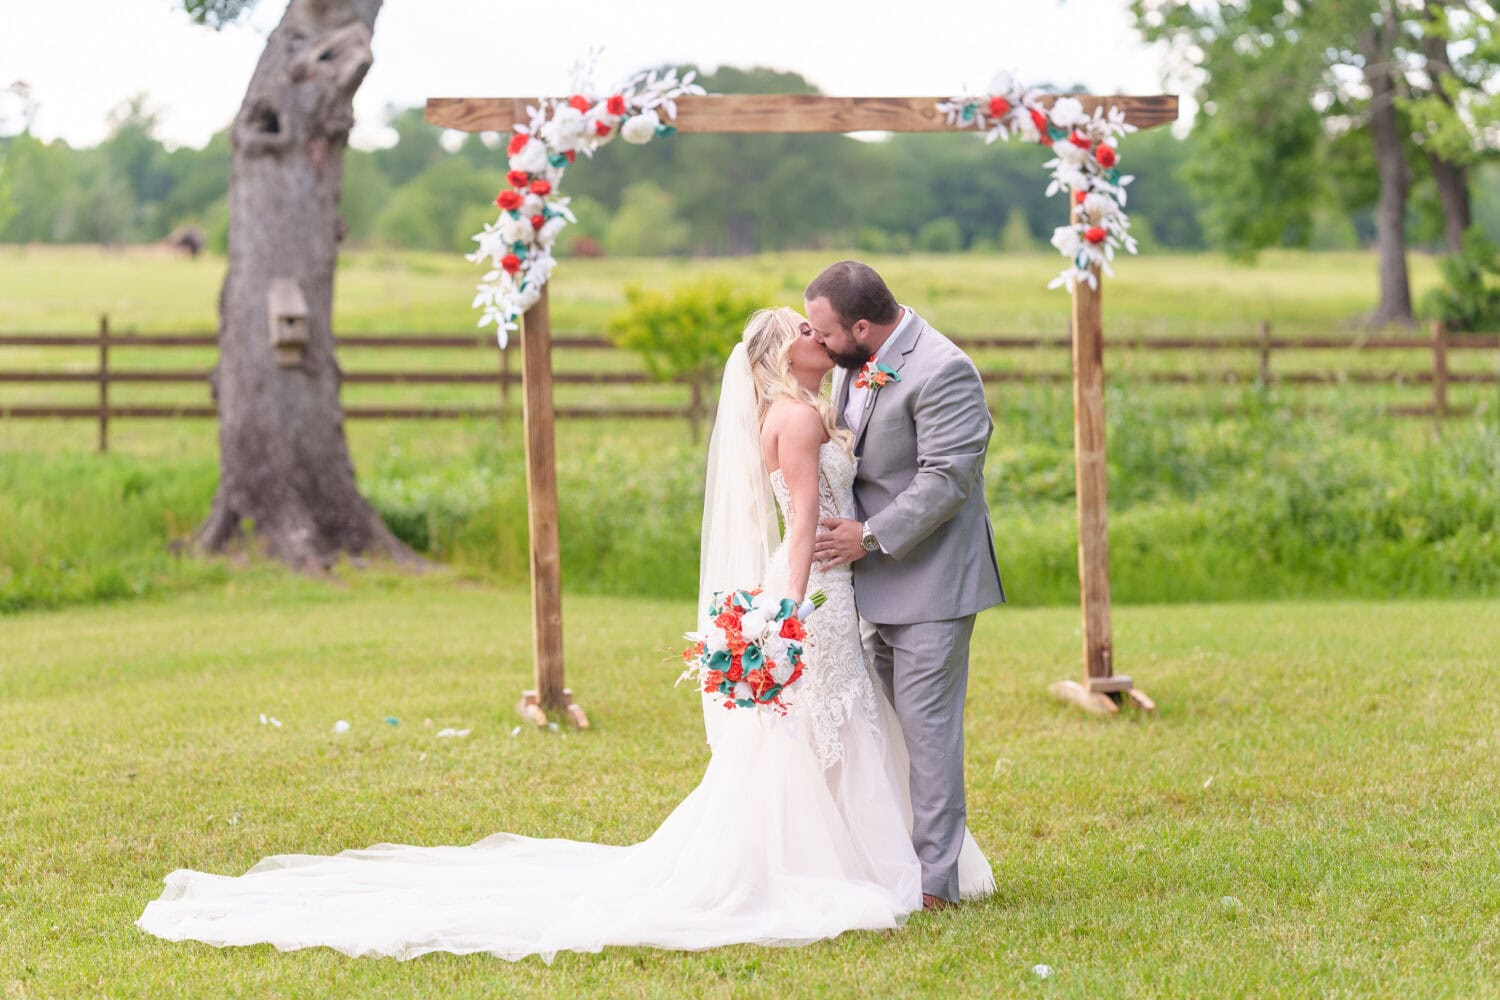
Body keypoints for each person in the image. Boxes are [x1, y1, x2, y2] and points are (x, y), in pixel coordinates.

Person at [135, 306, 993, 962]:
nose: (819, 337)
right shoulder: (799, 418)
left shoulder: (795, 405)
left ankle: (852, 856)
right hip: (820, 592)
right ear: (780, 351)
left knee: (826, 730)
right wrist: (791, 613)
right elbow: (802, 520)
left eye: (821, 325)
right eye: (804, 330)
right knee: (825, 727)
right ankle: (846, 868)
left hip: (817, 588)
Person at [805, 260, 1005, 909]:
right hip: (875, 583)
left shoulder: (943, 370)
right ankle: (892, 859)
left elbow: (946, 479)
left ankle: (936, 884)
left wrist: (867, 536)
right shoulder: (854, 365)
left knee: (927, 732)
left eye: (826, 332)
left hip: (931, 583)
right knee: (886, 729)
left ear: (862, 325)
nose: (821, 343)